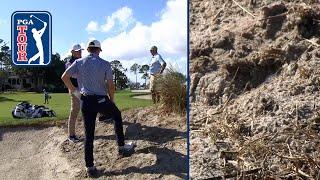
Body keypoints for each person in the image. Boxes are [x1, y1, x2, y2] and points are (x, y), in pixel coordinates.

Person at [61, 40, 135, 176]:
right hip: (101, 99)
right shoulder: (105, 64)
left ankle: (90, 167)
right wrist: (111, 100)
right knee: (117, 115)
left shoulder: (78, 62)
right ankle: (121, 147)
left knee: (89, 135)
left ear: (88, 49)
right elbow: (111, 85)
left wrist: (74, 91)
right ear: (99, 50)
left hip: (86, 100)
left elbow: (64, 77)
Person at [65, 44, 83, 143]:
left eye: (80, 51)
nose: (79, 52)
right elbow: (74, 75)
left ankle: (103, 115)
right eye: (77, 51)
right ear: (72, 52)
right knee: (75, 110)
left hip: (82, 88)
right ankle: (71, 135)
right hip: (74, 89)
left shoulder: (80, 61)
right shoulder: (69, 63)